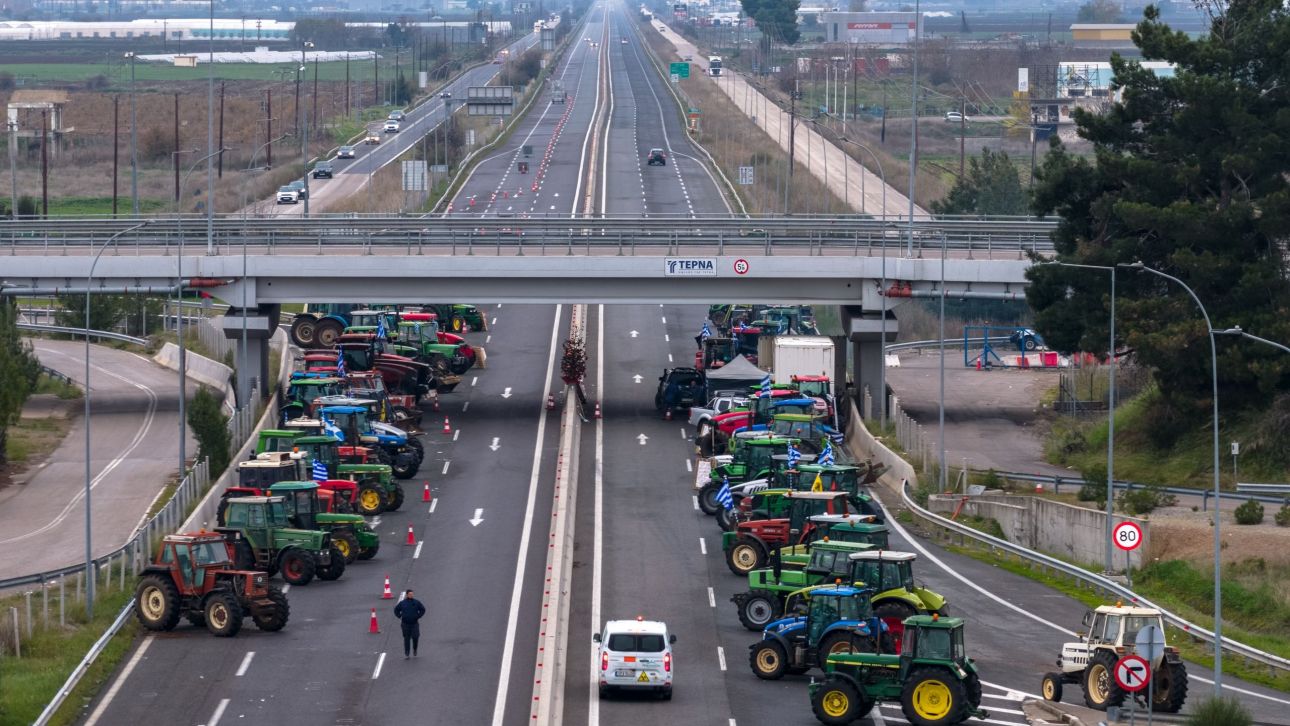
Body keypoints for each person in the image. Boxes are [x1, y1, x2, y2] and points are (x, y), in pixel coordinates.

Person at [393, 589, 426, 658]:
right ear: (407, 595)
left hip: (414, 624)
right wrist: (400, 616)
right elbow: (396, 610)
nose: (411, 595)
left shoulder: (416, 602)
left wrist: (418, 616)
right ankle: (407, 653)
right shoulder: (402, 603)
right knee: (406, 638)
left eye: (412, 594)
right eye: (410, 594)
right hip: (405, 624)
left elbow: (423, 609)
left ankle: (415, 649)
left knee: (415, 637)